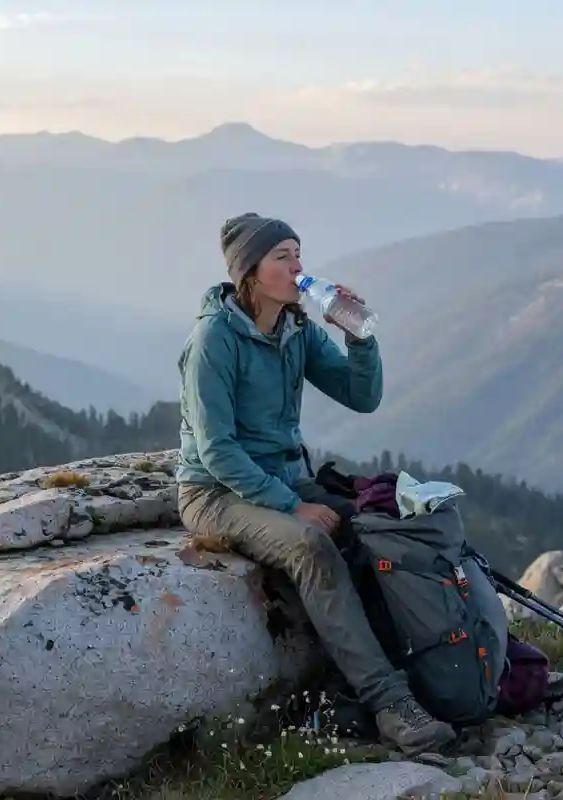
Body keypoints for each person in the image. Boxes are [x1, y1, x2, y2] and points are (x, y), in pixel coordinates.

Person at [175, 212, 457, 754]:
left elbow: (361, 396)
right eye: (282, 257)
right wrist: (290, 505)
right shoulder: (214, 339)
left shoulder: (295, 329)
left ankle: (433, 668)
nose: (298, 267)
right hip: (213, 491)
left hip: (280, 476)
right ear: (249, 271)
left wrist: (359, 339)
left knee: (379, 525)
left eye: (298, 255)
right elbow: (216, 451)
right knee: (311, 546)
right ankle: (389, 703)